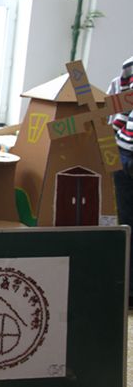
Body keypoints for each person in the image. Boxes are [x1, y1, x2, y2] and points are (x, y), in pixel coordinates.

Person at [107, 56, 133, 306]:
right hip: (125, 151)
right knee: (126, 221)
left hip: (123, 149)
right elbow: (120, 104)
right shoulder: (129, 66)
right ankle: (128, 289)